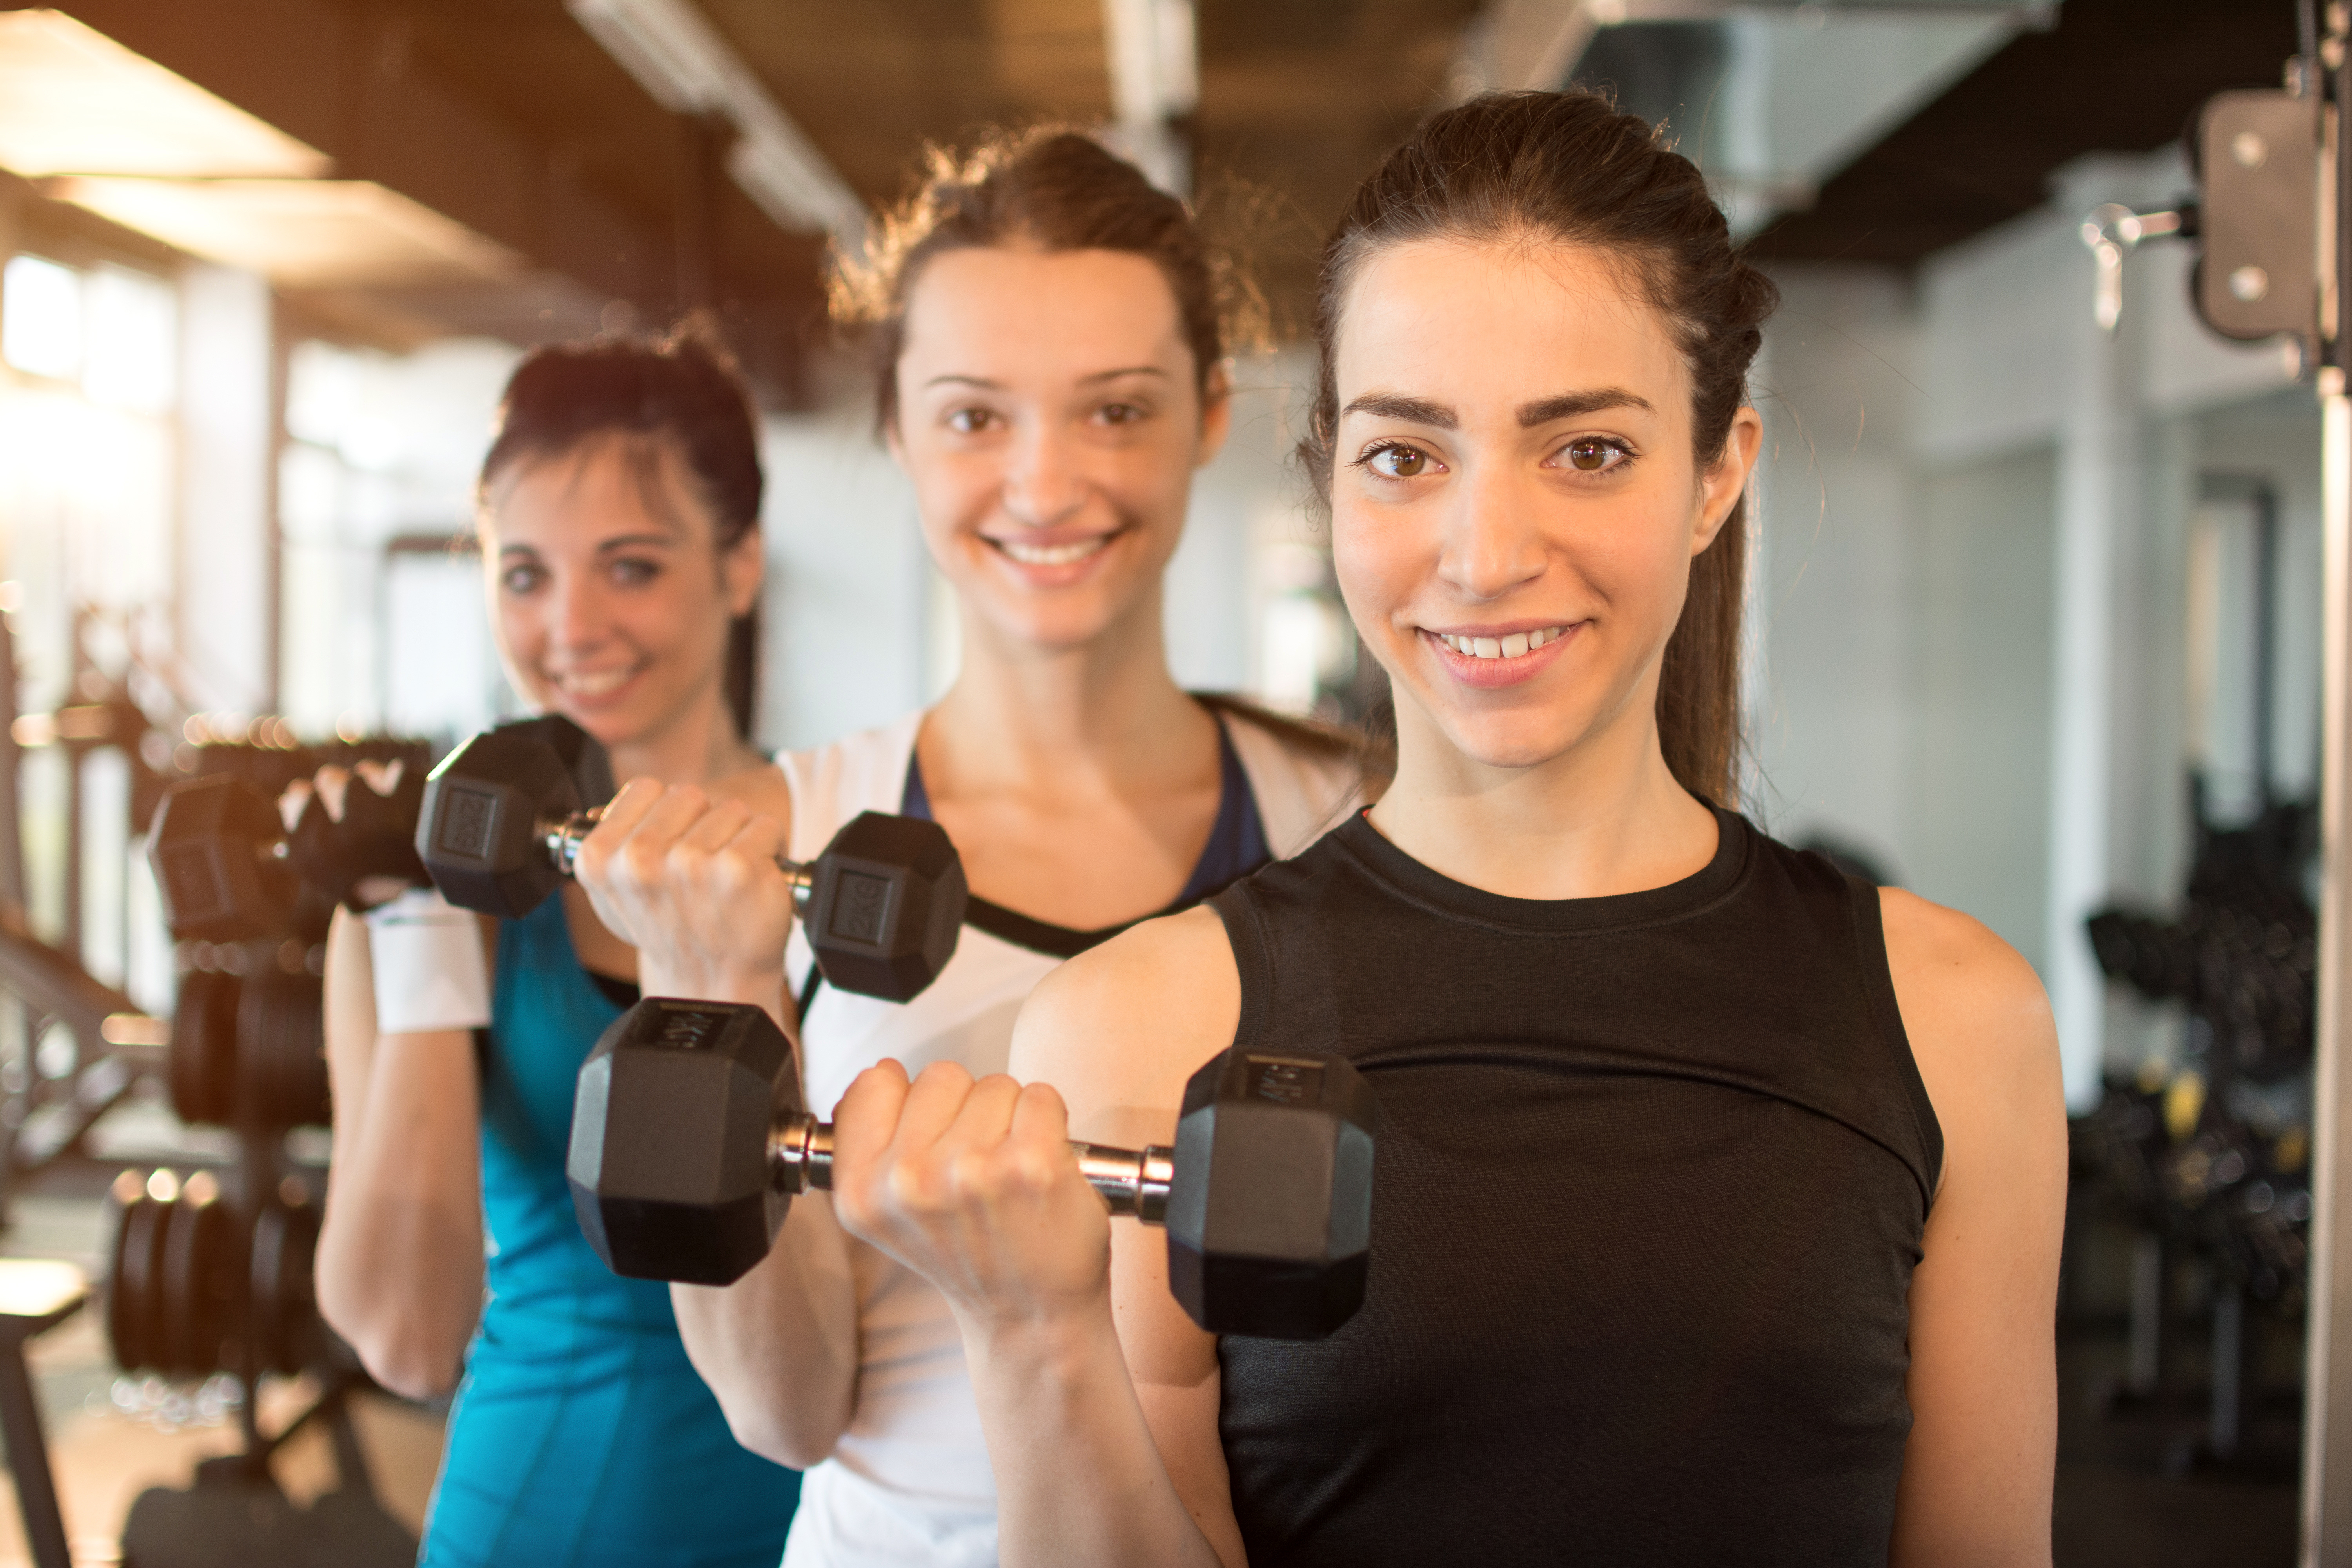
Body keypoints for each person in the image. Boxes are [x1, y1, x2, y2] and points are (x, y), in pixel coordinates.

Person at [817, 90, 2069, 1566]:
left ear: (1718, 473)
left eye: (1587, 451)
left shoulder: (1958, 1020)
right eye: (1409, 456)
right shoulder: (1133, 1029)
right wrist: (1028, 1336)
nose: (1485, 555)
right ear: (1331, 478)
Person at [568, 130, 1371, 1566]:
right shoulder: (763, 843)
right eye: (974, 417)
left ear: (1207, 414)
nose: (1046, 482)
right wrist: (712, 984)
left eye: (1115, 411)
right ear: (896, 429)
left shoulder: (1353, 822)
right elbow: (784, 1407)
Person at [310, 330, 802, 1567]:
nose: (572, 625)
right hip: (545, 1515)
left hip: (854, 1522)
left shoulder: (848, 861)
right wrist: (417, 922)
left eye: (629, 567)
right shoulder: (423, 897)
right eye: (523, 575)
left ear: (739, 566)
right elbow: (409, 1338)